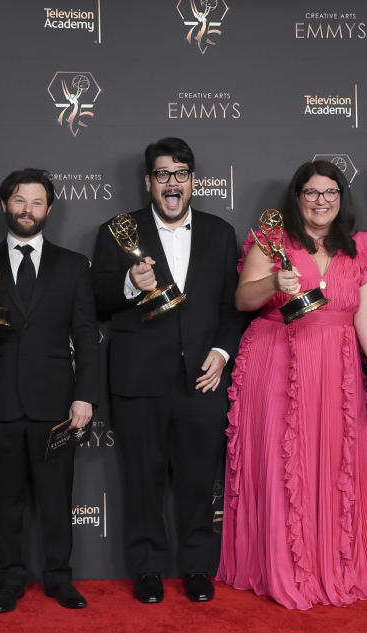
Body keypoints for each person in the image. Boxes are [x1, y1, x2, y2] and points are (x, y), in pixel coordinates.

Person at [217, 159, 367, 610]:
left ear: (341, 199)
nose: (322, 201)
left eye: (330, 193)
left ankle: (334, 565)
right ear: (297, 198)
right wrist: (273, 282)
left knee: (335, 462)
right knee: (284, 463)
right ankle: (283, 567)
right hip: (279, 359)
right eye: (312, 193)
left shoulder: (358, 247)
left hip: (336, 367)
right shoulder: (272, 240)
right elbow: (243, 299)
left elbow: (366, 312)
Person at [91, 137, 244, 604]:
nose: (171, 183)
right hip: (139, 381)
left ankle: (197, 566)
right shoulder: (118, 231)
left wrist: (221, 351)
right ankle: (148, 569)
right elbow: (97, 301)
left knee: (199, 481)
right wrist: (128, 284)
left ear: (193, 180)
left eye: (180, 173)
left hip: (203, 379)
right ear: (148, 182)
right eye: (162, 174)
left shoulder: (220, 232)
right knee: (142, 481)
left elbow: (232, 307)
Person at [0, 169, 98, 613]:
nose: (27, 209)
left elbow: (86, 332)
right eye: (19, 201)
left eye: (37, 202)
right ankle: (10, 581)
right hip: (0, 399)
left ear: (49, 209)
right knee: (6, 501)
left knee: (57, 498)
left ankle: (60, 578)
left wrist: (85, 395)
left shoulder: (73, 265)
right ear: (4, 206)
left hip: (56, 401)